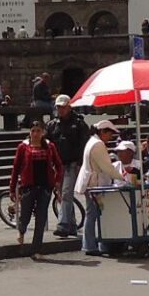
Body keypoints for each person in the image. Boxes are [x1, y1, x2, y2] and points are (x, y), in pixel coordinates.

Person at [7, 119, 63, 254]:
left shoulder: (50, 146)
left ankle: (36, 248)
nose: (36, 134)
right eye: (33, 131)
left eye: (38, 131)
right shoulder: (23, 147)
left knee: (41, 217)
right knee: (25, 215)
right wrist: (12, 188)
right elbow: (16, 168)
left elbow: (59, 165)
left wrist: (56, 181)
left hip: (45, 187)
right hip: (29, 186)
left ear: (43, 132)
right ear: (29, 132)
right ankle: (21, 231)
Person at [76, 119, 127, 256]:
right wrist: (123, 178)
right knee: (93, 214)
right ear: (103, 132)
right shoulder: (98, 144)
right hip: (94, 183)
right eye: (110, 134)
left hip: (91, 182)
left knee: (93, 214)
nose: (111, 138)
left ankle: (96, 244)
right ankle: (91, 245)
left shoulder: (92, 141)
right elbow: (107, 167)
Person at [46, 95, 91, 238]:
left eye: (63, 107)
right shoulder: (53, 124)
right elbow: (47, 143)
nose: (60, 109)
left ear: (69, 107)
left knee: (65, 193)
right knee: (63, 195)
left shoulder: (79, 124)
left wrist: (80, 163)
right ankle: (71, 224)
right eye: (58, 107)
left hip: (72, 163)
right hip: (58, 165)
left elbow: (84, 144)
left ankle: (63, 225)